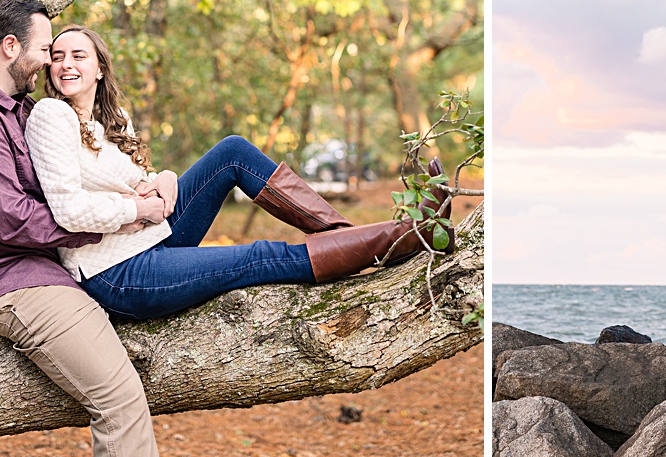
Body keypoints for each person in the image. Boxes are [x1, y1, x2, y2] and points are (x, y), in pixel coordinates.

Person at [24, 25, 450, 321]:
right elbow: (67, 209)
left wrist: (166, 178)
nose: (65, 65)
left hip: (150, 237)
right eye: (57, 57)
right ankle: (398, 238)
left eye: (78, 55)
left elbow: (136, 178)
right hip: (115, 275)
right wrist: (137, 207)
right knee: (257, 254)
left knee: (233, 151)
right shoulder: (50, 115)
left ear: (100, 68)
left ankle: (352, 240)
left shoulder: (113, 116)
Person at [0, 0, 162, 457]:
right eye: (46, 50)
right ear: (11, 47)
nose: (51, 63)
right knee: (119, 397)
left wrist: (145, 188)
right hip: (10, 282)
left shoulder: (15, 106)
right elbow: (12, 220)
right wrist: (117, 219)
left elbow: (77, 171)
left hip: (47, 266)